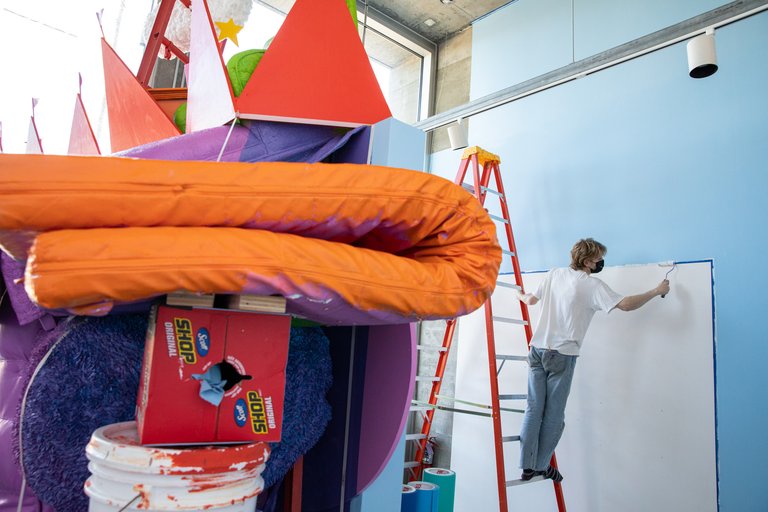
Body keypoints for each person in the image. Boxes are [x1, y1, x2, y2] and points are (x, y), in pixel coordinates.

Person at [516, 238, 670, 483]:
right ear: (587, 261)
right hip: (562, 355)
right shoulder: (590, 285)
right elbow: (627, 305)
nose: (600, 262)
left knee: (534, 409)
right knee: (554, 415)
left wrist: (521, 295)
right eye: (598, 259)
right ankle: (541, 466)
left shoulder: (554, 274)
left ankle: (526, 466)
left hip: (536, 350)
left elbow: (531, 300)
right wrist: (656, 291)